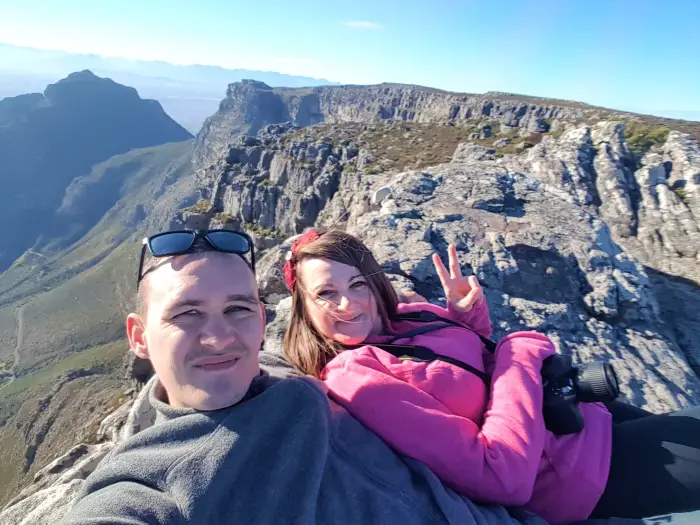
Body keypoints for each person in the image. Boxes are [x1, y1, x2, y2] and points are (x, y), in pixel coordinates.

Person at [58, 228, 557, 525]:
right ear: (139, 337)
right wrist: (520, 352)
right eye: (187, 315)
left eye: (237, 309)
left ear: (263, 319)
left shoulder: (287, 377)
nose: (218, 337)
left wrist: (467, 322)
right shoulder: (149, 479)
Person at [282, 228, 700, 525]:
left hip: (583, 420)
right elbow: (499, 477)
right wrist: (517, 356)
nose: (349, 303)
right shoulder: (355, 377)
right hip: (578, 476)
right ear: (303, 304)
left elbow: (465, 363)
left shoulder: (403, 317)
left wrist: (465, 312)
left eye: (357, 284)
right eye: (325, 293)